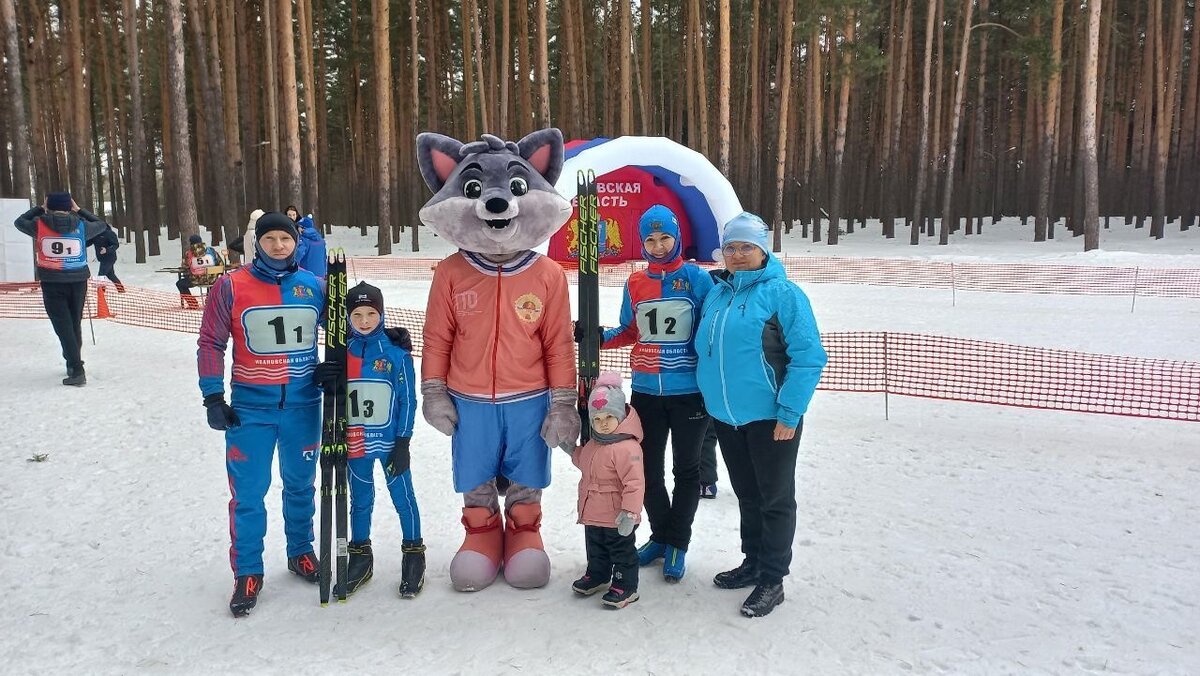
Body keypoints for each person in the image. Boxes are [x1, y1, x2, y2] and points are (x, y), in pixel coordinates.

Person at [695, 212, 827, 618]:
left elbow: (808, 358)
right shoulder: (717, 294)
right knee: (748, 496)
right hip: (727, 417)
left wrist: (789, 413)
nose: (737, 254)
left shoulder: (783, 295)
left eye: (746, 247)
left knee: (774, 499)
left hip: (772, 419)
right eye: (730, 247)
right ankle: (752, 562)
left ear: (763, 249)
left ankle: (773, 578)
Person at [196, 211, 325, 617]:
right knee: (248, 494)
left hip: (303, 406)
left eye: (284, 239)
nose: (277, 246)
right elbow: (210, 343)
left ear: (295, 243)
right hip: (251, 409)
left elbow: (352, 329)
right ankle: (248, 570)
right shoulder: (230, 286)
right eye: (269, 239)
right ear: (258, 243)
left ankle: (300, 551)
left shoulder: (314, 286)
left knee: (301, 486)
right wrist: (213, 396)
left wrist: (385, 338)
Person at [597, 204, 713, 582]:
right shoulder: (635, 282)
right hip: (646, 390)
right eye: (650, 238)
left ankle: (678, 541)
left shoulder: (697, 279)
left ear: (677, 237)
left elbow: (712, 332)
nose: (659, 246)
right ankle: (662, 536)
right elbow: (629, 330)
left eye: (665, 238)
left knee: (687, 469)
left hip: (688, 392)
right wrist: (598, 338)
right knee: (645, 469)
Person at [313, 282, 427, 598]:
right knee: (360, 500)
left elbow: (408, 400)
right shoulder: (342, 352)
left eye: (372, 314)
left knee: (403, 497)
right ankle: (361, 555)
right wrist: (321, 379)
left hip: (389, 440)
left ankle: (414, 553)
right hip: (356, 441)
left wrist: (403, 441)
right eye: (358, 314)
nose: (365, 321)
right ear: (348, 317)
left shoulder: (395, 354)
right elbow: (335, 397)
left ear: (382, 313)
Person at [13, 191, 114, 386]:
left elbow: (19, 222)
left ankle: (76, 369)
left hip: (52, 282)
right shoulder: (82, 226)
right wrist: (80, 210)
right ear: (69, 207)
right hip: (78, 281)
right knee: (74, 322)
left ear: (48, 206)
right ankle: (72, 362)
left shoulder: (39, 224)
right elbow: (103, 225)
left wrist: (39, 209)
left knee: (63, 325)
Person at [566, 373, 645, 609]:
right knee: (596, 547)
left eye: (610, 416)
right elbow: (585, 462)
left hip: (617, 516)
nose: (603, 423)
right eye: (597, 418)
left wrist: (630, 513)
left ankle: (625, 585)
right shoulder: (594, 443)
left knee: (621, 551)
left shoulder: (627, 447)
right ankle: (598, 574)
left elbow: (635, 483)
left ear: (621, 415)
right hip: (593, 512)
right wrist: (570, 449)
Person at [177, 233, 225, 309]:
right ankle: (209, 302)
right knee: (211, 279)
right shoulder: (211, 251)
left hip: (197, 280)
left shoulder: (188, 253)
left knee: (180, 283)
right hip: (212, 279)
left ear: (191, 243)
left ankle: (193, 304)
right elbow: (221, 264)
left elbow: (185, 266)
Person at [287, 205, 327, 278]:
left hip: (308, 276)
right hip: (321, 274)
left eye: (299, 227)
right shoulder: (321, 241)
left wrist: (289, 266)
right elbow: (324, 258)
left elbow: (298, 256)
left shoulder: (304, 241)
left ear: (302, 228)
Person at [93, 226, 124, 292]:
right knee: (111, 275)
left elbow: (116, 244)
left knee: (101, 274)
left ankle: (101, 292)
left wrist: (107, 250)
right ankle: (121, 290)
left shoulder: (109, 233)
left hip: (109, 258)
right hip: (102, 258)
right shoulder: (95, 234)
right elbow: (88, 242)